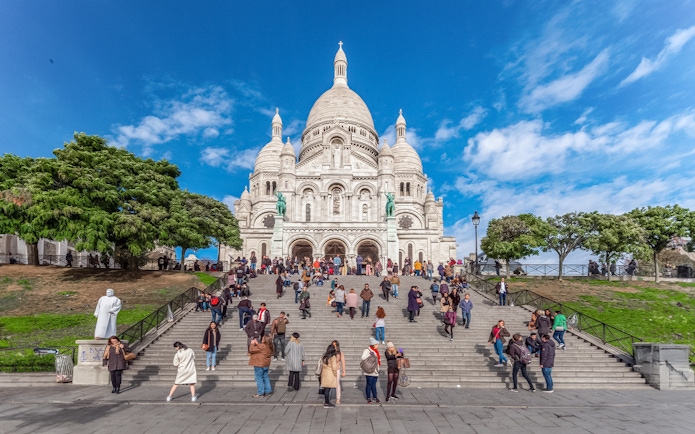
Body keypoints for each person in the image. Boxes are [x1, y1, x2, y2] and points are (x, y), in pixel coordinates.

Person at [361, 338, 381, 403]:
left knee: (374, 384)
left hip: (375, 370)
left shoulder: (376, 351)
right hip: (369, 370)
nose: (378, 345)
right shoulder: (367, 350)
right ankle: (368, 397)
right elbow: (363, 357)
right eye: (377, 344)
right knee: (369, 384)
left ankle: (375, 397)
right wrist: (370, 354)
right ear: (373, 345)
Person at [320, 343, 339, 408]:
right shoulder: (333, 357)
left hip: (324, 373)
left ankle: (326, 401)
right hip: (330, 373)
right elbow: (334, 367)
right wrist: (335, 374)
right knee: (328, 389)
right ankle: (327, 402)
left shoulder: (324, 356)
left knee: (326, 388)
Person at [332, 340, 347, 404]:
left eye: (335, 345)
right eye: (333, 345)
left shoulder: (340, 353)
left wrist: (343, 371)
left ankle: (338, 398)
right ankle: (327, 397)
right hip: (330, 370)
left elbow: (343, 362)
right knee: (329, 384)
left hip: (337, 369)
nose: (334, 346)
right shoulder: (330, 352)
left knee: (337, 384)